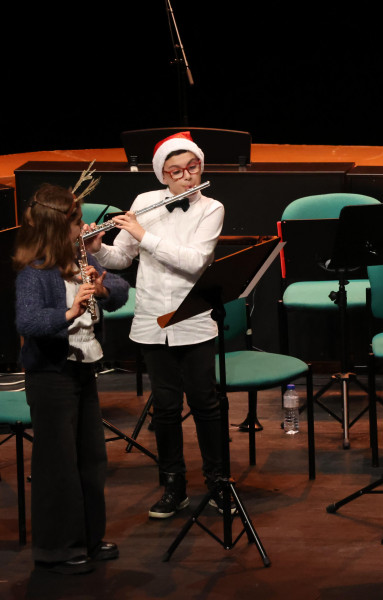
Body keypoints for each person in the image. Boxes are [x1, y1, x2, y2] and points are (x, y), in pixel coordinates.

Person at [86, 131, 226, 519]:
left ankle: (217, 483)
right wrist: (98, 248)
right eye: (176, 170)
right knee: (165, 408)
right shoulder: (146, 202)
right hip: (152, 319)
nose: (187, 176)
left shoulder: (211, 208)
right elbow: (122, 259)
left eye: (192, 168)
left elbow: (193, 261)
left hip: (193, 318)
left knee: (205, 404)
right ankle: (173, 485)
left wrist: (142, 235)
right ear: (163, 174)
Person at [14, 183, 129, 574]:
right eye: (77, 223)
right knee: (57, 465)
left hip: (81, 369)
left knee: (90, 459)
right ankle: (56, 549)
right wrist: (67, 313)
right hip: (50, 376)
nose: (84, 229)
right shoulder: (35, 272)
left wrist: (101, 286)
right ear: (55, 228)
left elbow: (119, 287)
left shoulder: (77, 259)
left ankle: (89, 538)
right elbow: (27, 321)